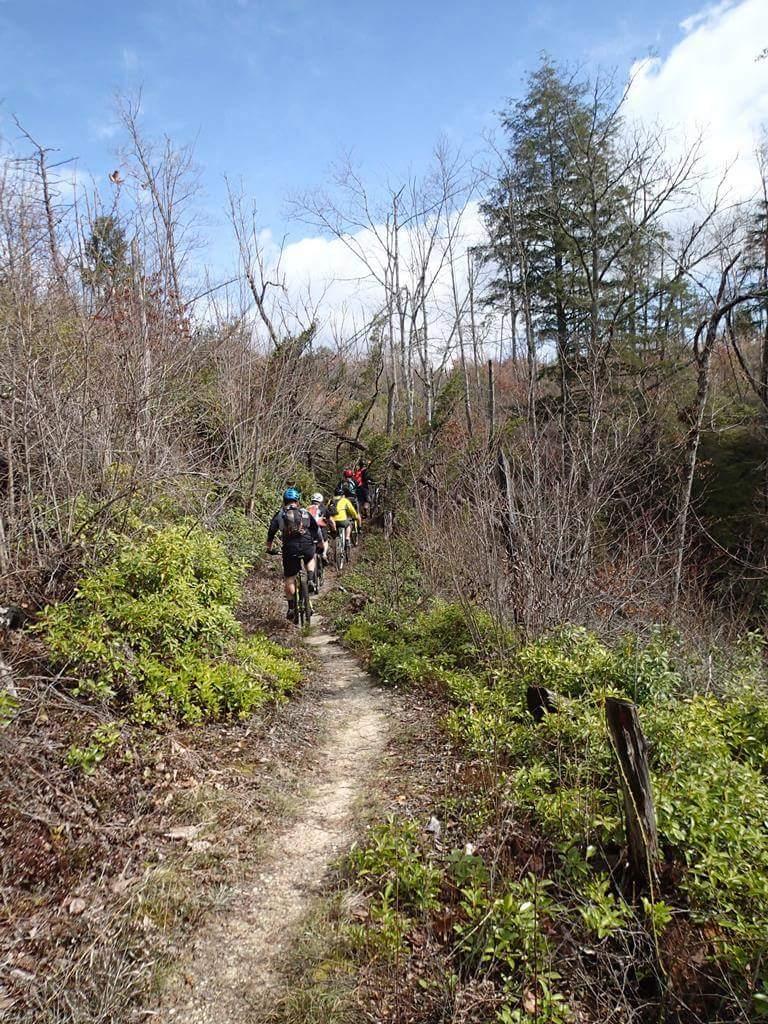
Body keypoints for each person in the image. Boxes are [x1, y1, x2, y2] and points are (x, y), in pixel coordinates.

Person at [265, 488, 322, 621]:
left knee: (290, 577)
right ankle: (310, 579)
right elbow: (316, 529)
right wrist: (318, 542)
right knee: (310, 559)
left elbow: (271, 533)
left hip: (290, 548)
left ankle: (291, 608)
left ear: (284, 500)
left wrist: (269, 548)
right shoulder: (305, 512)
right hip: (307, 545)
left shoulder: (280, 514)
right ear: (297, 501)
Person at [327, 485, 360, 554]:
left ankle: (333, 545)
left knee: (334, 533)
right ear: (342, 495)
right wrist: (356, 516)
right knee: (349, 525)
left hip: (332, 522)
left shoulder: (330, 501)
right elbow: (352, 510)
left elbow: (326, 510)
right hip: (342, 521)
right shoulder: (344, 500)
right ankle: (347, 538)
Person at [307, 491, 330, 564]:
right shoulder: (323, 508)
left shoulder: (307, 508)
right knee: (325, 540)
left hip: (309, 529)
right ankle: (324, 554)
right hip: (320, 529)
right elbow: (329, 520)